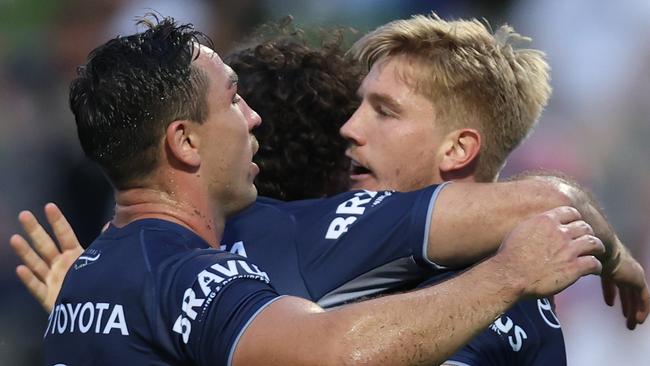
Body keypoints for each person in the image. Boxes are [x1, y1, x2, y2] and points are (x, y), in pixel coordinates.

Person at [11, 14, 608, 366]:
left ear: (460, 146)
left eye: (384, 111)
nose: (351, 128)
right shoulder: (214, 265)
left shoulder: (90, 274)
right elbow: (330, 348)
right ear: (184, 142)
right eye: (232, 100)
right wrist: (513, 272)